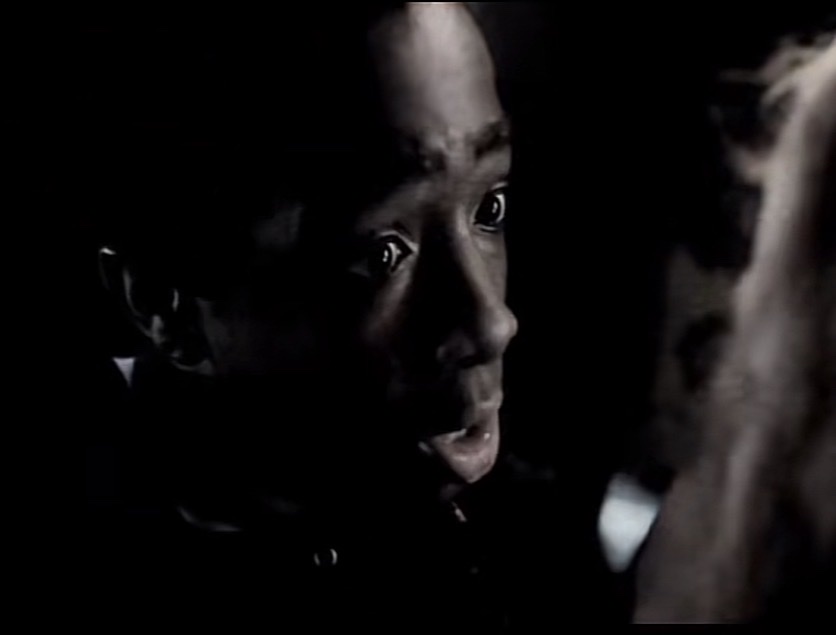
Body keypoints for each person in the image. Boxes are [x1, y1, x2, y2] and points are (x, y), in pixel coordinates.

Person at [84, 3, 624, 626]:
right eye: (382, 254)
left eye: (489, 210)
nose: (490, 323)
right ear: (165, 307)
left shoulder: (553, 547)